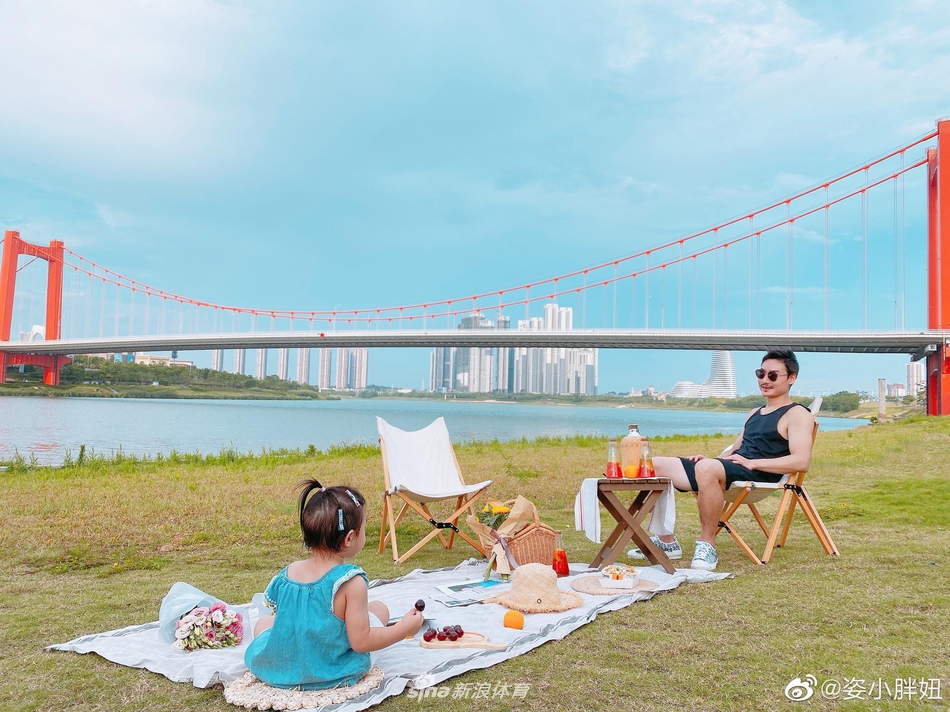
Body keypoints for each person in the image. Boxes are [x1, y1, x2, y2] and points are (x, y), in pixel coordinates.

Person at [630, 349, 814, 571]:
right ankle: (666, 540)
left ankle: (707, 543)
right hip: (734, 467)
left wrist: (753, 463)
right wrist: (710, 461)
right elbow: (735, 450)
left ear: (791, 378)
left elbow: (801, 461)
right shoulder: (755, 413)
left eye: (773, 375)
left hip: (759, 474)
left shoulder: (797, 414)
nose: (765, 380)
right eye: (761, 374)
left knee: (708, 468)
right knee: (654, 464)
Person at [245, 480, 423, 690]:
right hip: (332, 671)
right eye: (364, 528)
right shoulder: (351, 582)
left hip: (283, 669)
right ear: (349, 538)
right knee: (379, 609)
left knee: (264, 623)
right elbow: (361, 642)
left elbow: (287, 620)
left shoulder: (289, 572)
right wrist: (403, 629)